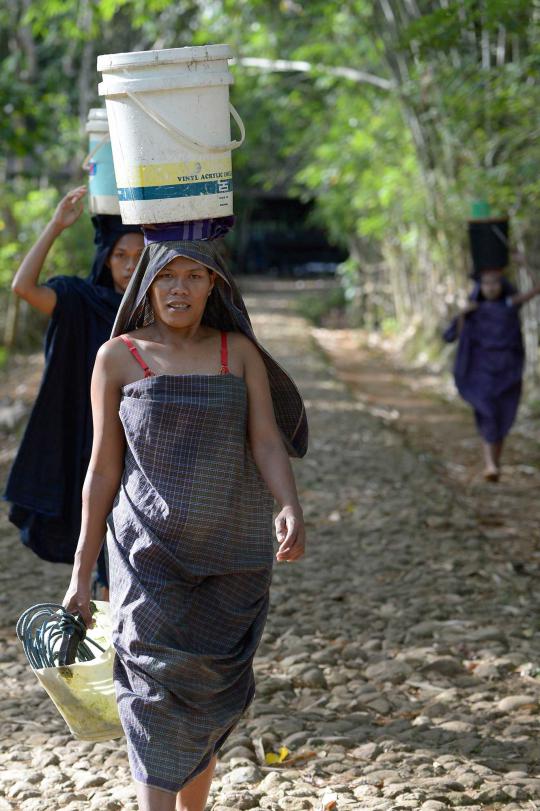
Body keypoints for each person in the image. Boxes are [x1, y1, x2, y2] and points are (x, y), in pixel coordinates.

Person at [62, 239, 308, 811]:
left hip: (235, 554)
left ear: (214, 286)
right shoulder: (117, 357)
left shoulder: (237, 352)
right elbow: (102, 467)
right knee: (148, 689)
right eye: (167, 276)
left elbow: (266, 439)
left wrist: (289, 504)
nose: (180, 289)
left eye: (194, 276)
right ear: (145, 286)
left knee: (208, 692)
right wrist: (81, 571)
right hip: (146, 553)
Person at [5, 186, 144, 592]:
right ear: (106, 257)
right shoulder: (80, 300)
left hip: (143, 435)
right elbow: (23, 287)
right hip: (88, 434)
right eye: (121, 255)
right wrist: (56, 225)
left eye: (139, 258)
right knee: (100, 534)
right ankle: (106, 628)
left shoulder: (161, 307)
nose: (129, 266)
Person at [444, 267, 540, 481]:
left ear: (502, 284)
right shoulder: (473, 309)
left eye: (495, 282)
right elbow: (452, 336)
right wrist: (462, 314)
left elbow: (536, 288)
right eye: (486, 283)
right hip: (480, 371)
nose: (491, 287)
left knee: (503, 415)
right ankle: (490, 464)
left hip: (508, 370)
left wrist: (523, 262)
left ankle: (495, 461)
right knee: (487, 413)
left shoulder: (509, 305)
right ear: (480, 286)